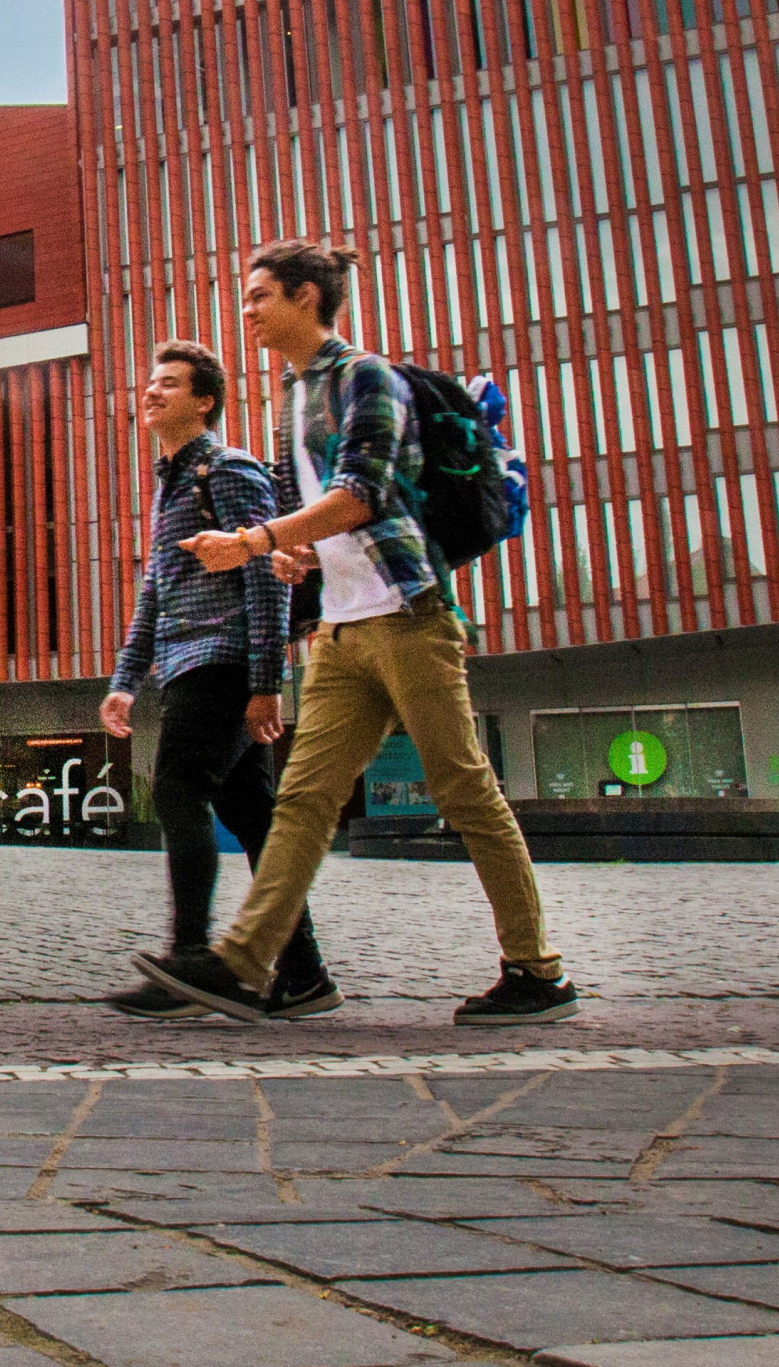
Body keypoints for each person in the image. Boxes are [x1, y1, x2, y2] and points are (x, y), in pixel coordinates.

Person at [139, 240, 577, 1028]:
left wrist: (256, 540)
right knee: (304, 800)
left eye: (259, 294)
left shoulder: (364, 377)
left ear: (307, 296)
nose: (248, 310)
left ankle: (535, 968)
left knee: (463, 789)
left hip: (408, 614)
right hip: (340, 631)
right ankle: (248, 965)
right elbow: (323, 516)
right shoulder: (289, 397)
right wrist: (298, 555)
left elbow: (362, 494)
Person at [98, 342, 334, 1022]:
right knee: (252, 813)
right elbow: (156, 590)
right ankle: (304, 971)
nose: (151, 390)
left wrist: (267, 681)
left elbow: (266, 574)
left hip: (222, 661)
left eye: (167, 382)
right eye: (149, 380)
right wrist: (126, 679)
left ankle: (190, 956)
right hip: (186, 660)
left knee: (177, 786)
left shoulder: (226, 471)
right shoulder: (169, 482)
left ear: (204, 400)